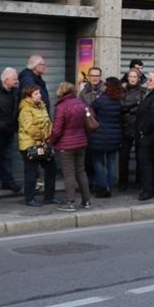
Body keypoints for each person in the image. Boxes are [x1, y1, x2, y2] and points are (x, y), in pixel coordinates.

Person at [49, 82, 91, 212]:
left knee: (69, 174)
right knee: (81, 171)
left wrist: (51, 142)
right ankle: (86, 201)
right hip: (81, 142)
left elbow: (57, 130)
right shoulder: (81, 103)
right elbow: (91, 120)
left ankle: (71, 203)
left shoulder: (61, 107)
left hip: (66, 145)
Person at [18, 85, 58, 207]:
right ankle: (29, 198)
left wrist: (49, 136)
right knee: (31, 172)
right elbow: (29, 128)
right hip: (30, 145)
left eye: (39, 93)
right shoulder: (25, 110)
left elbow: (48, 123)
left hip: (43, 144)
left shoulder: (42, 107)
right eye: (36, 94)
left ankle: (49, 197)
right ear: (28, 96)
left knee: (51, 168)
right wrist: (43, 135)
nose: (39, 95)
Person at [89, 77, 123, 198]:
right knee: (111, 162)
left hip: (99, 135)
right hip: (114, 136)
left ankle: (103, 187)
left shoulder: (101, 100)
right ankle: (110, 185)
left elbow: (90, 111)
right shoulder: (119, 100)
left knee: (98, 162)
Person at [136, 71, 154, 201]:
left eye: (151, 79)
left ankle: (148, 190)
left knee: (146, 163)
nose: (148, 82)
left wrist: (144, 131)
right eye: (148, 79)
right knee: (150, 162)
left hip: (148, 136)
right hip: (147, 135)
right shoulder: (152, 94)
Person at [119, 69, 147, 192]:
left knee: (140, 155)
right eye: (130, 76)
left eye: (134, 76)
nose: (132, 78)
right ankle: (123, 182)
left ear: (138, 78)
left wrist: (130, 108)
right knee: (123, 156)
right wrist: (132, 107)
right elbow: (120, 106)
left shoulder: (143, 91)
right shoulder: (122, 90)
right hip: (125, 126)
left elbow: (143, 107)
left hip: (139, 125)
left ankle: (139, 181)